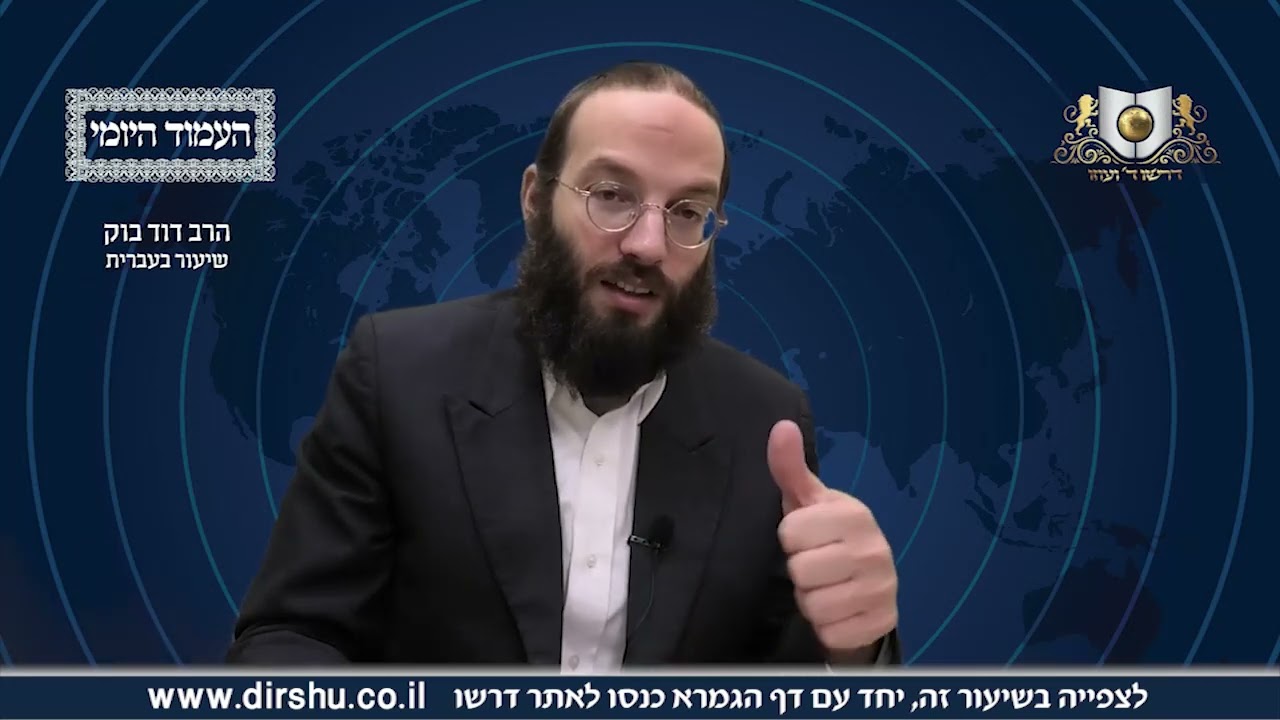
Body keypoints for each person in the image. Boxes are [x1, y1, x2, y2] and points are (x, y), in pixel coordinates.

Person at [226, 61, 901, 669]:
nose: (648, 244)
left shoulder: (766, 423)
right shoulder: (397, 374)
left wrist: (853, 652)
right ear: (534, 199)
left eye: (688, 211)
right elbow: (292, 636)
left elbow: (787, 681)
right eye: (612, 194)